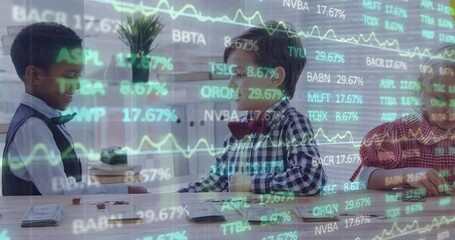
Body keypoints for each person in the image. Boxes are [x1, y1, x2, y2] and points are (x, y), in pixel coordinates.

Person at [179, 20, 327, 194]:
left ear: (274, 76)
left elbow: (311, 178)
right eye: (231, 75)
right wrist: (171, 201)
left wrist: (251, 183)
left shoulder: (293, 124)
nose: (230, 85)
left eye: (240, 74)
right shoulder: (236, 134)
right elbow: (215, 182)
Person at [2, 22, 147, 195]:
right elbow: (60, 193)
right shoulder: (33, 127)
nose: (77, 85)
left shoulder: (45, 117)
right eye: (70, 76)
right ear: (34, 76)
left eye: (78, 75)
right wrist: (124, 189)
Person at [350, 44, 455, 196]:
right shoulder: (400, 134)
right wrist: (407, 174)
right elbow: (366, 178)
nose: (451, 111)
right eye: (440, 99)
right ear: (423, 94)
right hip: (411, 218)